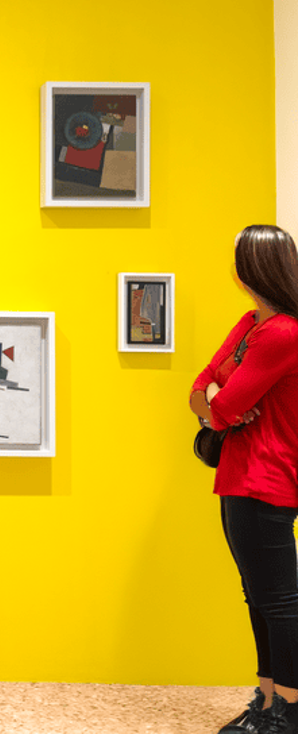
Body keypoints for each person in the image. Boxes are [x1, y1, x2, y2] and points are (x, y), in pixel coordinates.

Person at [190, 225, 298, 734]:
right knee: (258, 594)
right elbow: (200, 388)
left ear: (248, 268)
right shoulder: (251, 323)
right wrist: (215, 396)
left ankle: (289, 711)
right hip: (238, 474)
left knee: (278, 598)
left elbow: (224, 404)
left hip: (266, 477)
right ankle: (268, 696)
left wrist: (218, 396)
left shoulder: (282, 333)